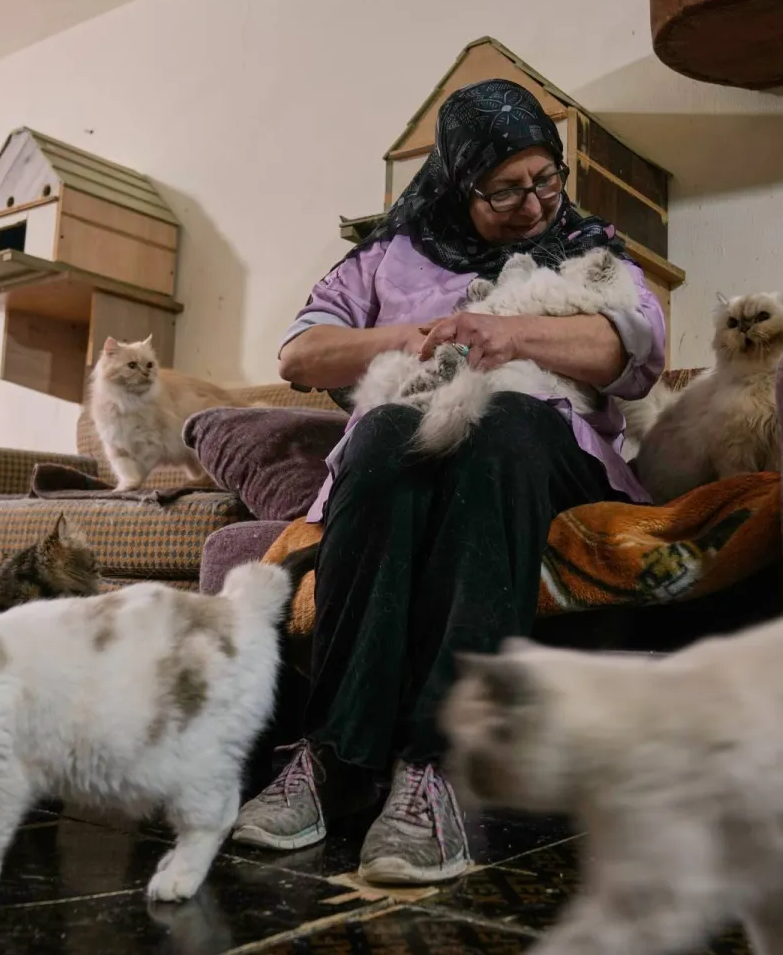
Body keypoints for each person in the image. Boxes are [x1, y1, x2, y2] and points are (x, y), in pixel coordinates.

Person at [233, 78, 666, 884]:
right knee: (384, 439)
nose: (533, 204)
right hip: (415, 413)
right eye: (504, 190)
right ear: (458, 180)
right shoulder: (383, 258)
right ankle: (336, 757)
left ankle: (437, 767)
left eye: (546, 180)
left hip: (542, 444)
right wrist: (427, 335)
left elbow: (629, 355)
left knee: (498, 429)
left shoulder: (593, 249)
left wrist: (508, 333)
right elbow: (300, 356)